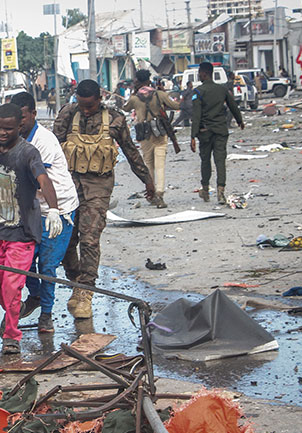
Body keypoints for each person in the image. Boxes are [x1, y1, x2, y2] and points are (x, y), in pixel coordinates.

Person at [54, 79, 155, 319]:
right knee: (67, 241)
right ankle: (76, 280)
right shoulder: (68, 114)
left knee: (89, 239)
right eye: (81, 105)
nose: (85, 110)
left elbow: (130, 150)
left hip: (98, 186)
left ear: (99, 99)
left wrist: (147, 179)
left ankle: (86, 293)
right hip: (68, 186)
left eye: (89, 106)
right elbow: (51, 148)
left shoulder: (115, 118)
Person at [0, 103, 63, 354]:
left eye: (8, 128)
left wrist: (53, 209)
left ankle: (11, 336)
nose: (2, 133)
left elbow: (44, 179)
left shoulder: (28, 153)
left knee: (12, 285)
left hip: (22, 233)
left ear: (19, 126)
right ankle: (11, 313)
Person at [10, 91, 79, 332]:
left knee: (48, 266)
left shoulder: (44, 141)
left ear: (33, 115)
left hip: (57, 208)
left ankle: (47, 314)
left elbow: (39, 180)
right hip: (33, 208)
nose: (18, 123)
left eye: (22, 118)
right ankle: (36, 296)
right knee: (23, 260)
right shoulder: (14, 140)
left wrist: (54, 210)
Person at [123, 69, 180, 208]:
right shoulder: (159, 94)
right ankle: (159, 193)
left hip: (144, 135)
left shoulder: (135, 98)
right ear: (149, 80)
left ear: (137, 81)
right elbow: (175, 106)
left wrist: (133, 93)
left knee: (149, 165)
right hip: (159, 133)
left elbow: (125, 108)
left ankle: (151, 193)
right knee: (160, 165)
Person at [190, 62, 244, 205]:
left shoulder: (198, 92)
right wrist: (240, 121)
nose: (199, 75)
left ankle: (206, 190)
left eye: (199, 72)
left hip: (205, 133)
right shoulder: (222, 89)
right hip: (221, 130)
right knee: (220, 161)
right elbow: (233, 106)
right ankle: (221, 190)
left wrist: (193, 136)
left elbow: (196, 115)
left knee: (205, 161)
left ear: (204, 73)